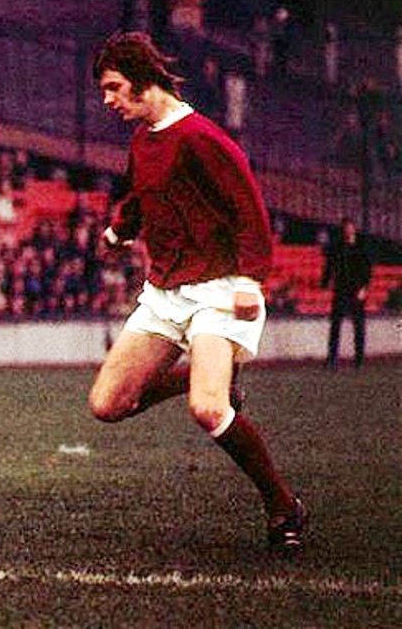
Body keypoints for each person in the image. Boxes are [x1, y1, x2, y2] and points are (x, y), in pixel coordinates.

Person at [86, 32, 306, 556]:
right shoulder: (144, 139)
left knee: (207, 409)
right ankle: (212, 379)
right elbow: (141, 194)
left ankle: (283, 506)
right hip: (165, 292)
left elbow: (250, 210)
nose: (108, 100)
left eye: (113, 87)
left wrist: (251, 280)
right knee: (107, 404)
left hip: (218, 289)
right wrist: (119, 231)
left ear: (142, 80)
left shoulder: (202, 137)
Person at [322, 218, 373, 370]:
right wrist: (325, 282)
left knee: (358, 326)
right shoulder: (338, 247)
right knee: (336, 325)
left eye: (350, 228)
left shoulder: (361, 248)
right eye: (346, 228)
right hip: (341, 289)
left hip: (356, 290)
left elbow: (367, 270)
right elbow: (330, 266)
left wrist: (364, 288)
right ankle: (332, 358)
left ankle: (359, 359)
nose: (348, 231)